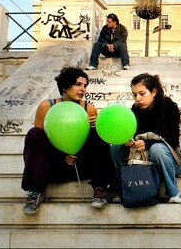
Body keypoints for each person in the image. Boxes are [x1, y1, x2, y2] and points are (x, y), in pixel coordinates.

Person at [21, 67, 114, 215]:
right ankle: (37, 191)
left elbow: (90, 145)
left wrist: (94, 126)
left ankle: (99, 189)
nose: (83, 89)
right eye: (78, 84)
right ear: (65, 86)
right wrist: (61, 156)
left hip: (81, 165)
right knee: (35, 134)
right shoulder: (46, 106)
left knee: (98, 132)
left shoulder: (89, 109)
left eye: (85, 85)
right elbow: (40, 144)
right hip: (54, 165)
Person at [110, 73, 181, 203]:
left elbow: (172, 140)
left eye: (142, 94)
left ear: (153, 92)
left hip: (169, 163)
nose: (137, 98)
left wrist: (147, 144)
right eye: (134, 94)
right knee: (116, 146)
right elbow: (133, 132)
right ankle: (123, 190)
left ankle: (174, 192)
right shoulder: (135, 109)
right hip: (142, 160)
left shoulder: (169, 106)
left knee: (157, 148)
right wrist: (129, 140)